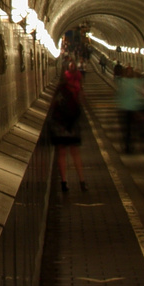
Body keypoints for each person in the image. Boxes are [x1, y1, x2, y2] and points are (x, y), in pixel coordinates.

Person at [50, 63, 87, 192]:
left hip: (60, 125)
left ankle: (64, 182)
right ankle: (82, 181)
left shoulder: (59, 89)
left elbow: (54, 107)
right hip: (72, 125)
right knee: (75, 153)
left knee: (61, 153)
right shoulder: (74, 88)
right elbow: (81, 103)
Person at [115, 66, 144, 153]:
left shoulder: (131, 81)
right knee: (128, 129)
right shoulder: (123, 81)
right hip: (126, 107)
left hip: (134, 107)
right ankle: (129, 144)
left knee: (130, 128)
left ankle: (130, 144)